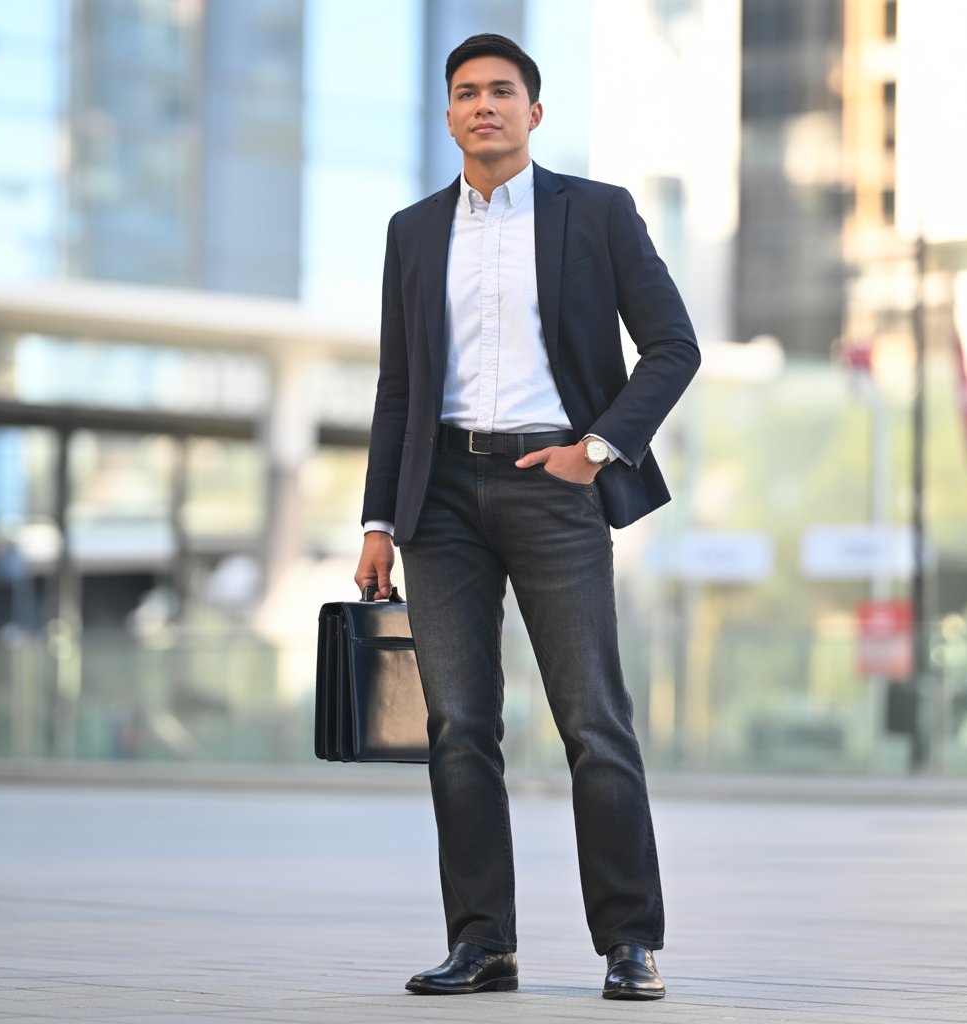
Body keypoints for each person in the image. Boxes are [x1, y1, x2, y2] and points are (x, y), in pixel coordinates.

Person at [354, 33, 700, 1000]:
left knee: (594, 720)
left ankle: (631, 941)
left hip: (555, 483)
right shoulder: (413, 231)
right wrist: (379, 522)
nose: (483, 107)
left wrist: (593, 451)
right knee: (459, 724)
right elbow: (396, 390)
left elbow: (674, 347)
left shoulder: (596, 213)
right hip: (441, 500)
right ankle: (483, 943)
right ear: (451, 115)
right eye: (465, 94)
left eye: (502, 92)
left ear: (535, 112)